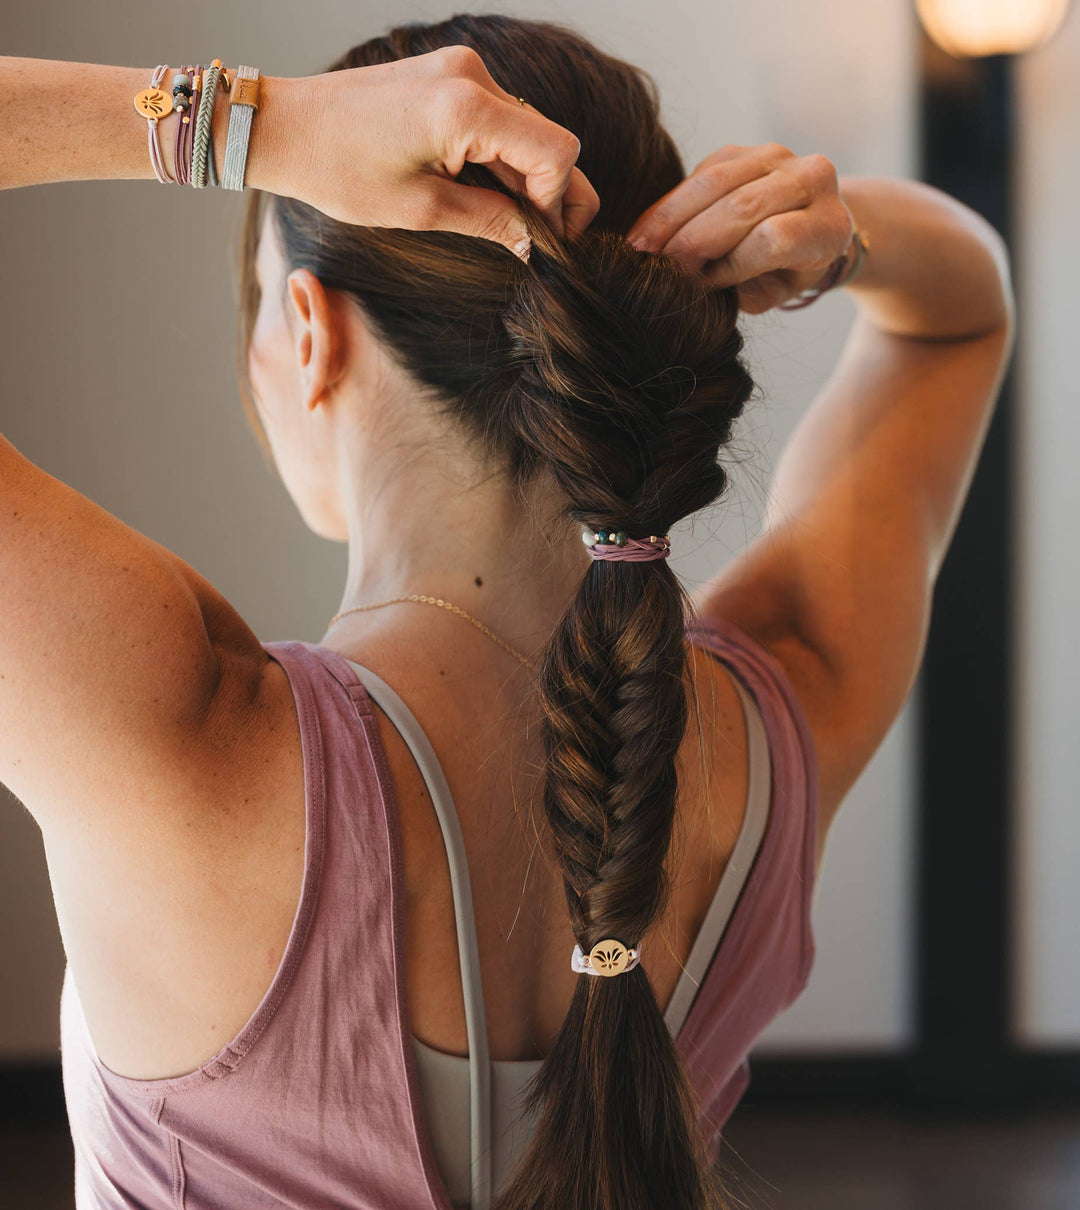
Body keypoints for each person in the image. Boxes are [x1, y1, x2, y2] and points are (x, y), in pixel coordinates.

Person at [0, 13, 1014, 1210]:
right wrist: (838, 235)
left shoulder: (174, 728)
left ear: (312, 336)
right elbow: (962, 314)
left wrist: (258, 126)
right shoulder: (786, 704)